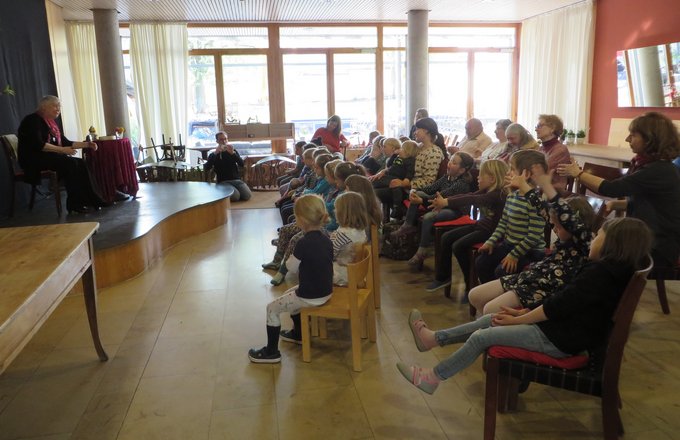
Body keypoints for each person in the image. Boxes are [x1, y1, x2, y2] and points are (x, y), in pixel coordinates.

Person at [396, 217, 652, 395]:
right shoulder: (610, 270)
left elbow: (558, 306)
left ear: (613, 245)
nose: (593, 239)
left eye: (599, 236)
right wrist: (522, 313)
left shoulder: (600, 275)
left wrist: (519, 320)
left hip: (561, 340)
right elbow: (563, 301)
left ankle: (433, 378)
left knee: (481, 337)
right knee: (490, 319)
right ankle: (433, 339)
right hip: (560, 330)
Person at [557, 111, 680, 270]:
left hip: (657, 245)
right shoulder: (652, 166)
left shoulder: (659, 170)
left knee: (594, 252)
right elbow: (649, 202)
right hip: (649, 237)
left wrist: (578, 174)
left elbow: (611, 188)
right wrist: (617, 205)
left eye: (633, 135)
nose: (627, 139)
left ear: (650, 139)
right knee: (589, 247)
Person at [468, 168, 594, 315]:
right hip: (531, 276)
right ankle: (484, 327)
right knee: (475, 296)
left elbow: (564, 216)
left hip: (541, 288)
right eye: (554, 225)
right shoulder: (563, 234)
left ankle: (487, 331)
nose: (554, 229)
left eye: (559, 226)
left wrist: (546, 188)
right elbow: (542, 208)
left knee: (490, 309)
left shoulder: (583, 241)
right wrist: (525, 187)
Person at [248, 194, 333, 363]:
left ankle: (271, 352)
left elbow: (292, 268)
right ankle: (298, 334)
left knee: (272, 308)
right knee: (289, 293)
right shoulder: (327, 238)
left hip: (310, 296)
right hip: (326, 291)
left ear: (300, 220)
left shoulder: (302, 242)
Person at [425, 160, 509, 295]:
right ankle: (443, 277)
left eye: (481, 176)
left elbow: (472, 200)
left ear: (492, 179)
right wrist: (445, 202)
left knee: (458, 245)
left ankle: (470, 285)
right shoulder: (487, 190)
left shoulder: (497, 195)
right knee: (447, 237)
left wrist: (446, 202)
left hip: (492, 232)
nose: (478, 178)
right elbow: (469, 195)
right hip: (481, 227)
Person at [17, 95, 106, 214]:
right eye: (55, 106)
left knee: (80, 162)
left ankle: (94, 200)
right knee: (70, 163)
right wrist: (63, 150)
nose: (58, 108)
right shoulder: (32, 120)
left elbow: (66, 142)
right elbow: (39, 145)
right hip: (33, 160)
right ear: (44, 107)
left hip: (48, 157)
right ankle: (75, 204)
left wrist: (87, 145)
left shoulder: (51, 123)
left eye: (59, 106)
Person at [392, 152, 476, 270]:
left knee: (428, 217)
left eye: (454, 163)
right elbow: (430, 188)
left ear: (462, 170)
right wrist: (414, 191)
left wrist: (421, 199)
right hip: (440, 204)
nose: (449, 164)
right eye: (450, 160)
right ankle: (408, 224)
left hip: (455, 210)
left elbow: (442, 196)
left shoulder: (461, 184)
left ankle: (422, 250)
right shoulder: (446, 177)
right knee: (420, 193)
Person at [474, 150, 547, 283]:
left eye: (512, 169)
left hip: (530, 251)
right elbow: (503, 223)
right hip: (510, 245)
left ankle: (500, 299)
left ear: (526, 174)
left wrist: (514, 255)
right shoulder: (512, 196)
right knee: (481, 262)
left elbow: (533, 237)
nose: (508, 173)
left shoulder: (536, 201)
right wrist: (491, 241)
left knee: (502, 271)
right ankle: (486, 297)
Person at [375, 117, 445, 219]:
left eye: (417, 129)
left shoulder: (434, 153)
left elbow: (429, 181)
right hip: (402, 184)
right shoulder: (418, 147)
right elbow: (402, 164)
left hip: (410, 190)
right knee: (371, 186)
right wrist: (385, 171)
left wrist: (404, 183)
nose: (415, 132)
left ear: (426, 131)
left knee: (371, 193)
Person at [370, 139, 417, 220]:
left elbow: (410, 172)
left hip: (395, 178)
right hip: (389, 176)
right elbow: (389, 165)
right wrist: (394, 155)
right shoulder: (399, 158)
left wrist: (405, 181)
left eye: (402, 148)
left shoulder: (410, 161)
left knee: (394, 187)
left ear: (407, 151)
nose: (399, 150)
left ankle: (397, 208)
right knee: (374, 182)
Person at [203, 131, 252, 202]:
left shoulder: (232, 151)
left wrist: (233, 154)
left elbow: (241, 164)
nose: (224, 141)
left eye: (225, 139)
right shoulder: (213, 154)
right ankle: (224, 192)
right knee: (236, 197)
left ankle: (230, 192)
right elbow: (207, 167)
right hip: (223, 182)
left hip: (236, 180)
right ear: (217, 141)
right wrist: (215, 153)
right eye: (221, 139)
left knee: (247, 196)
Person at [535, 114, 571, 192]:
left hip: (553, 192)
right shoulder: (540, 148)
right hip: (540, 189)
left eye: (539, 126)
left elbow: (541, 170)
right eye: (536, 126)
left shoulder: (560, 150)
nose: (536, 129)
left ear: (552, 128)